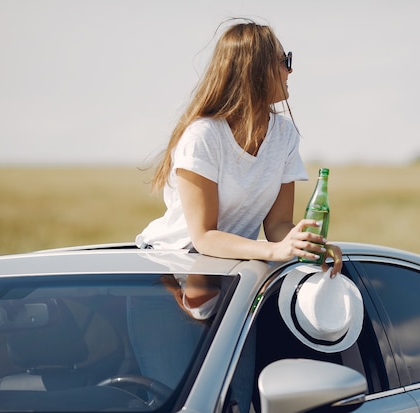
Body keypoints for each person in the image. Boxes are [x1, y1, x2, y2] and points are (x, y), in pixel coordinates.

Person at [136, 19, 342, 276]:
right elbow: (204, 237)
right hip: (171, 268)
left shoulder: (284, 134)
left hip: (229, 267)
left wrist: (308, 246)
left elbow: (277, 225)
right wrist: (273, 251)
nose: (290, 71)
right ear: (256, 71)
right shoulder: (203, 136)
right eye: (285, 61)